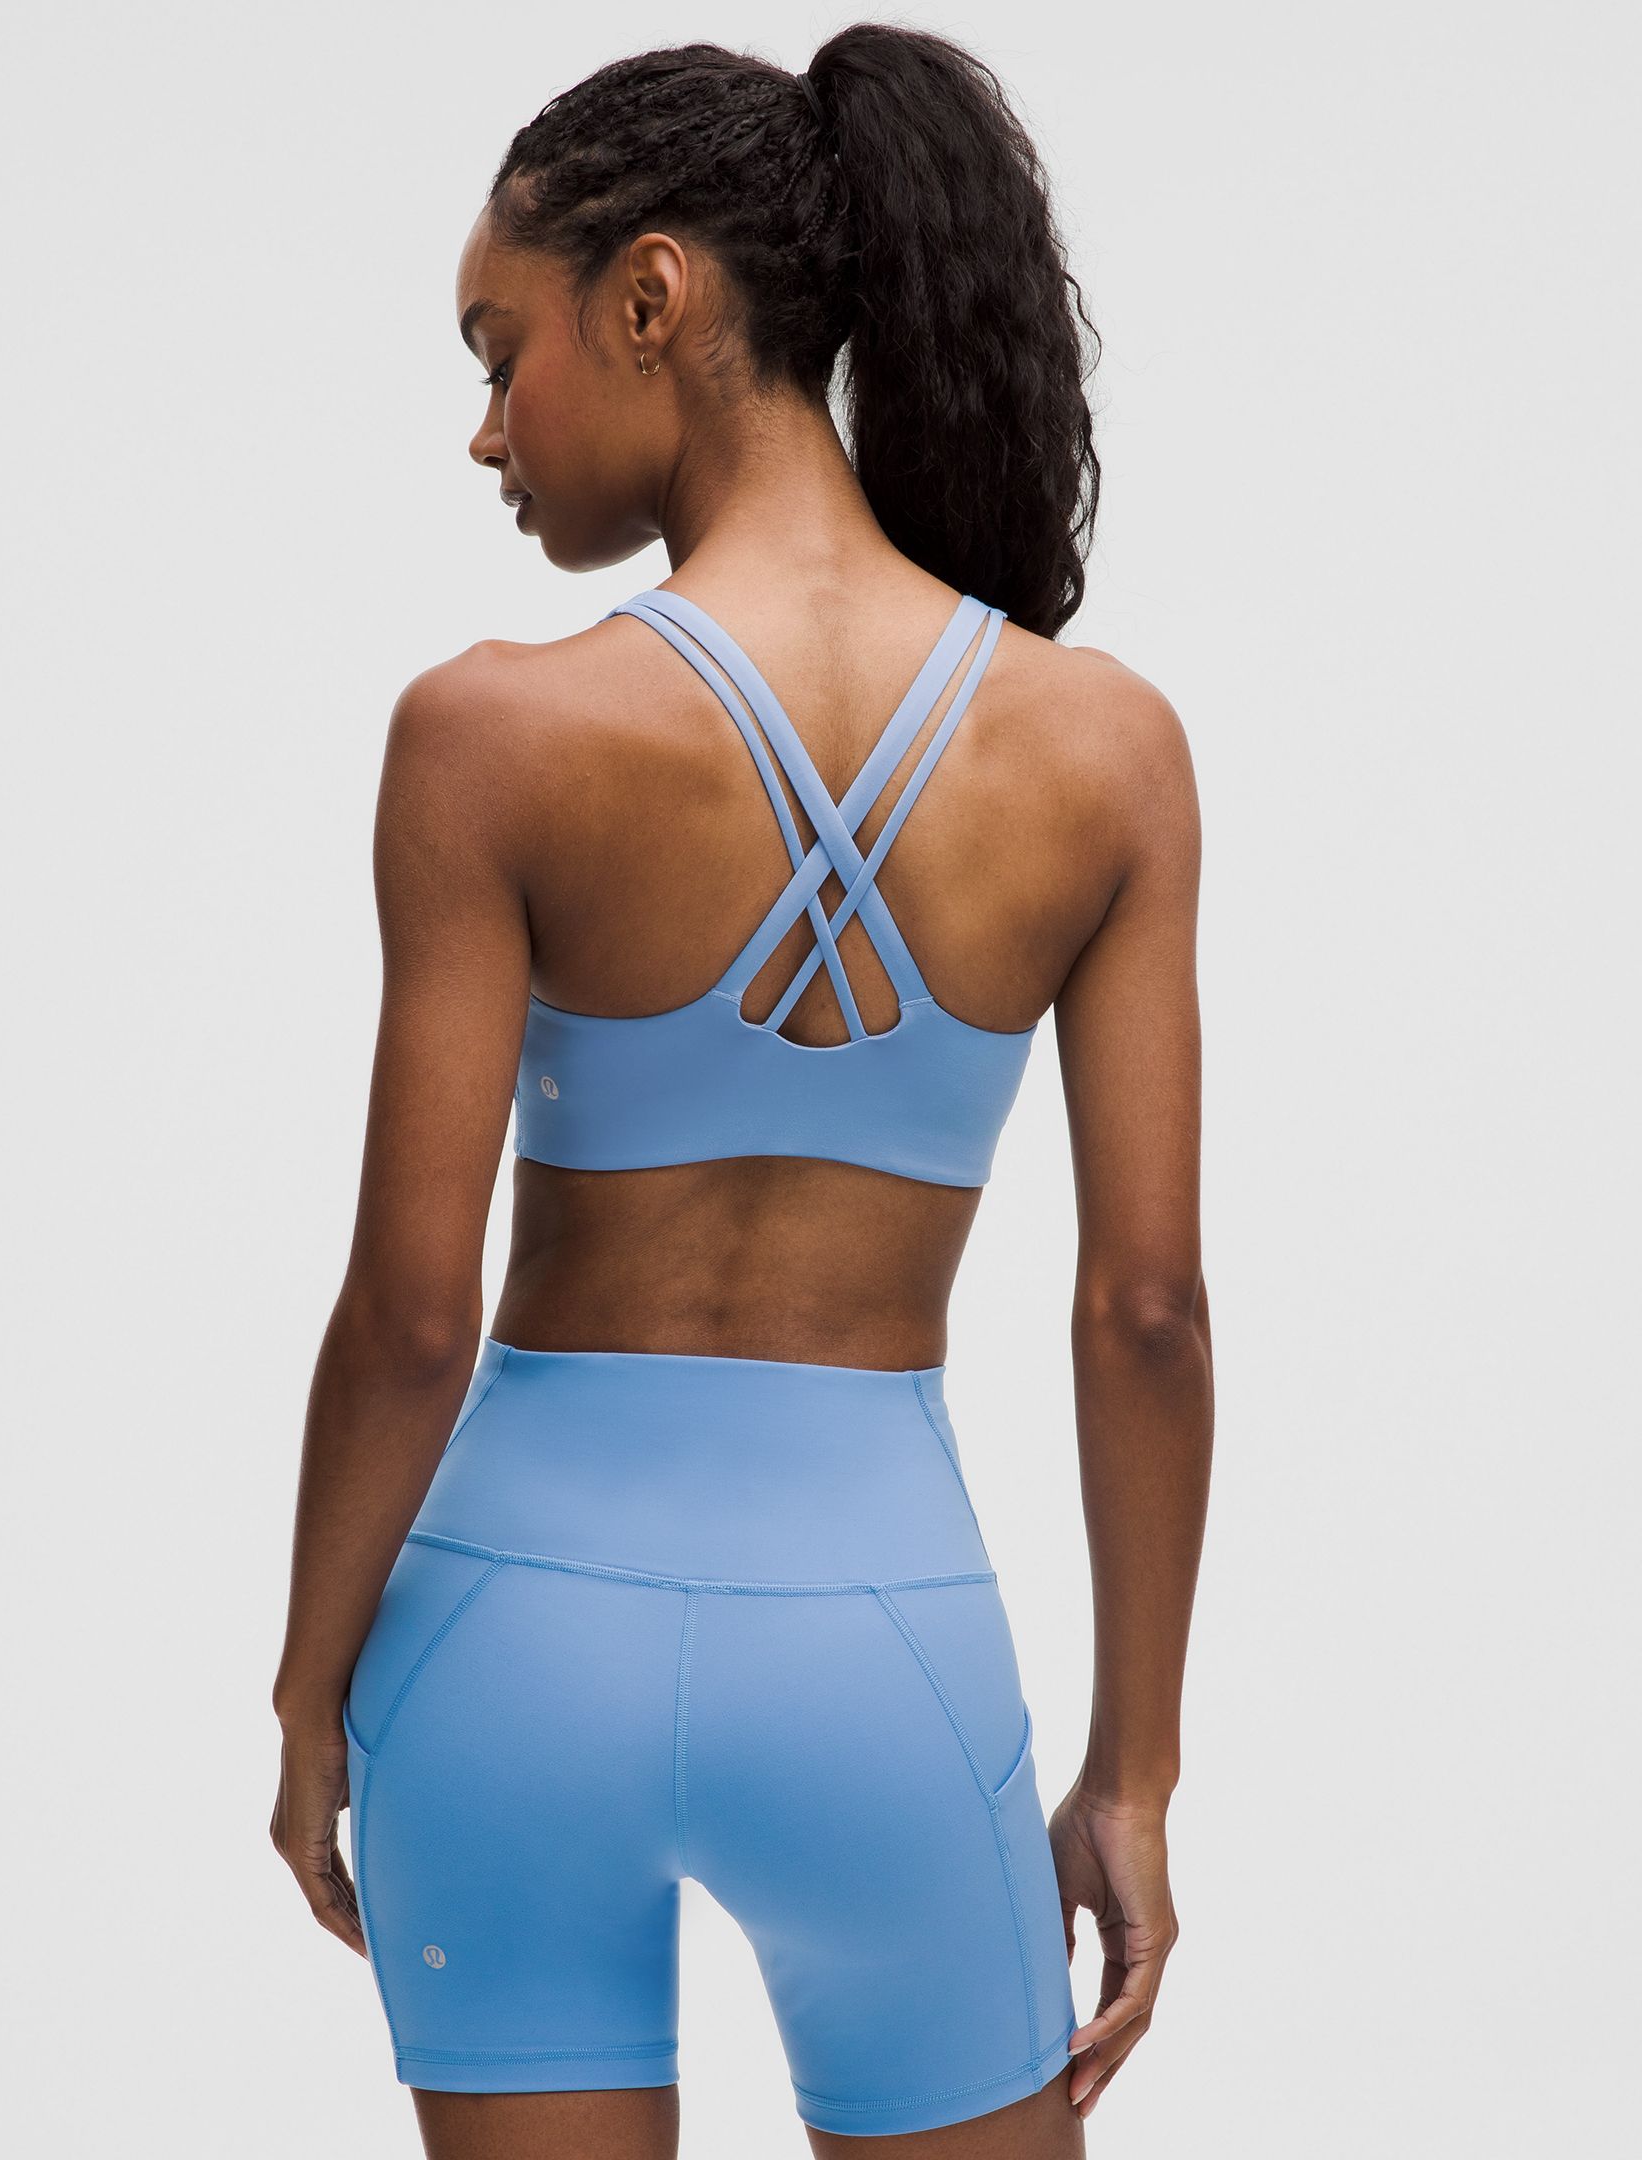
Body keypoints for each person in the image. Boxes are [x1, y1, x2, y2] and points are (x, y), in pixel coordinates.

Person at [271, 23, 1213, 2158]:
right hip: (883, 1663)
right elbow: (1147, 1311)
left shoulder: (489, 738)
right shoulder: (1105, 756)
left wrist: (307, 1687)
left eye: (498, 351)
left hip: (502, 1645)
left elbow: (409, 1320)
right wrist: (1136, 1772)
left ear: (652, 297)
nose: (486, 430)